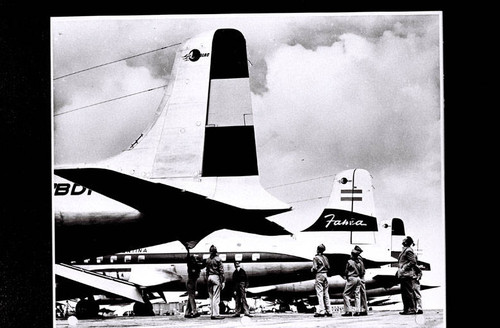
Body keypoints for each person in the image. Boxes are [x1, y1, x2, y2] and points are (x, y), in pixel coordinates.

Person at [396, 236, 418, 315]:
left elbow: (413, 262)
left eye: (404, 240)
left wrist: (404, 268)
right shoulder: (405, 250)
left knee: (408, 292)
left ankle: (412, 309)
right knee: (404, 293)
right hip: (403, 275)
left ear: (406, 242)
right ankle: (406, 309)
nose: (402, 241)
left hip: (406, 274)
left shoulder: (408, 250)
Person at [311, 244, 332, 317]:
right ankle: (329, 311)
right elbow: (328, 267)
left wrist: (312, 270)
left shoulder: (316, 258)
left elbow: (314, 268)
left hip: (319, 275)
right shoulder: (325, 258)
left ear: (317, 249)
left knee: (319, 293)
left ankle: (321, 311)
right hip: (325, 275)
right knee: (326, 293)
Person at [206, 245, 225, 320]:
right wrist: (223, 281)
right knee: (216, 297)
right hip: (215, 277)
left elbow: (207, 271)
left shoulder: (208, 260)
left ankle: (212, 313)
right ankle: (216, 314)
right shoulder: (218, 259)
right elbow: (221, 271)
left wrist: (207, 278)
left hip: (209, 277)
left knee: (211, 297)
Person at [341, 248, 362, 316]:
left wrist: (346, 277)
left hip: (352, 278)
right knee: (357, 294)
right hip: (358, 278)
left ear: (352, 255)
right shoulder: (360, 262)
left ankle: (348, 311)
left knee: (346, 294)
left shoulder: (349, 262)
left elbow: (346, 271)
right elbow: (362, 271)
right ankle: (358, 311)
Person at [184, 254, 203, 318]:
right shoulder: (193, 265)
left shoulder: (191, 265)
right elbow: (201, 266)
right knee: (192, 297)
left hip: (192, 281)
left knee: (190, 297)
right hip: (191, 282)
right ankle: (194, 312)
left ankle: (187, 313)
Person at [353, 245, 368, 316]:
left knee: (359, 293)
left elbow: (362, 270)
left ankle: (360, 309)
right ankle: (363, 309)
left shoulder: (358, 259)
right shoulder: (360, 258)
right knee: (362, 294)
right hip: (361, 277)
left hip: (360, 277)